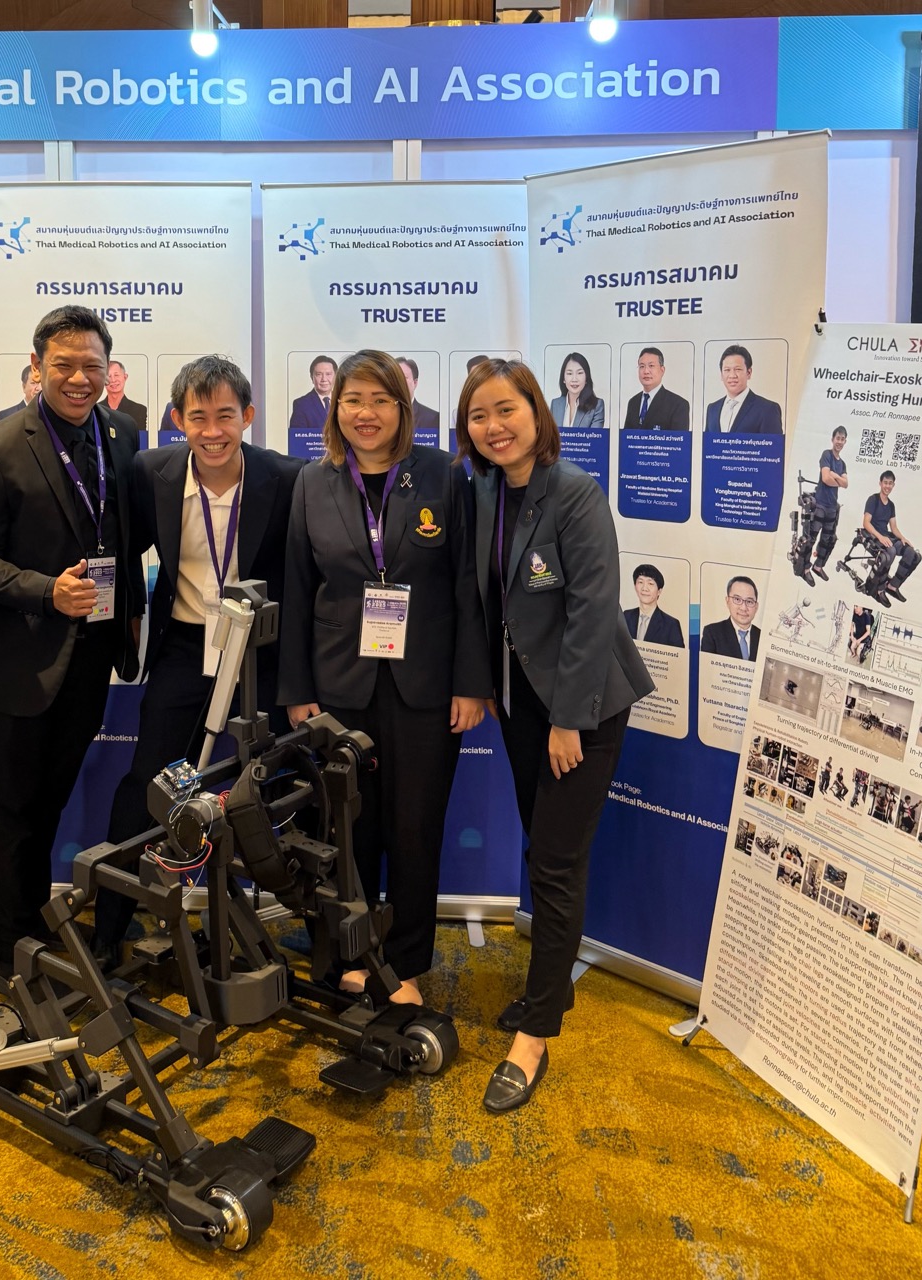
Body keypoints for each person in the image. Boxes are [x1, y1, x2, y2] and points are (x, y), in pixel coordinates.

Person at [456, 358, 653, 1113]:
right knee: (544, 850)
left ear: (537, 413)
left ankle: (535, 1034)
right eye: (479, 415)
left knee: (558, 862)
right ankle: (552, 991)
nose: (494, 426)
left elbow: (594, 612)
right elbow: (486, 604)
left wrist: (569, 719)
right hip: (521, 704)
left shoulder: (574, 492)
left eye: (506, 410)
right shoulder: (482, 491)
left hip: (583, 705)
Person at [279, 349, 491, 1006]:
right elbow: (297, 587)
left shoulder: (443, 475)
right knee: (346, 830)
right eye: (353, 401)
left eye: (379, 400)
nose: (365, 414)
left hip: (425, 687)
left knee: (415, 829)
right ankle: (352, 953)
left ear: (403, 407)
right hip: (338, 687)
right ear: (335, 409)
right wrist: (297, 691)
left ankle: (405, 963)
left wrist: (471, 682)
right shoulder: (312, 482)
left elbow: (468, 585)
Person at [93, 356, 304, 964]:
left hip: (259, 655)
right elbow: (121, 549)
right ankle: (108, 933)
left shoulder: (287, 478)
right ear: (177, 418)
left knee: (269, 789)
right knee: (149, 785)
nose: (213, 432)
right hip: (186, 648)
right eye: (198, 417)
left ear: (248, 416)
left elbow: (303, 578)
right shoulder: (151, 473)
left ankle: (305, 934)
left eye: (225, 416)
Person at [0, 305, 144, 991]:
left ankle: (37, 927)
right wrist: (45, 592)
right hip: (21, 663)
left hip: (91, 657)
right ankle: (13, 955)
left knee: (48, 805)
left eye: (92, 365)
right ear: (37, 367)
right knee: (9, 814)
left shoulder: (123, 434)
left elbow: (127, 532)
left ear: (108, 369)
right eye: (64, 365)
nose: (79, 378)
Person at [797, 426, 848, 585]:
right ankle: (805, 569)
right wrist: (838, 479)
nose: (839, 441)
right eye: (837, 438)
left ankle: (818, 566)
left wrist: (835, 476)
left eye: (842, 439)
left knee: (828, 539)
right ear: (832, 439)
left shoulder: (842, 464)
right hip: (820, 503)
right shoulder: (826, 455)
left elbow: (846, 484)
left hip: (832, 507)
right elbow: (825, 478)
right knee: (810, 538)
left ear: (845, 442)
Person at [863, 470, 922, 605]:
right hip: (873, 536)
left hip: (886, 536)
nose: (887, 486)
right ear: (880, 483)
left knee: (911, 552)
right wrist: (880, 537)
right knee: (891, 551)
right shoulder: (873, 500)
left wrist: (903, 538)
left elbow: (893, 527)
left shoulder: (891, 505)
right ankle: (879, 590)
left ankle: (893, 586)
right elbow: (866, 523)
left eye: (890, 483)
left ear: (893, 485)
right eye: (885, 483)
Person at [704, 345, 783, 434]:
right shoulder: (712, 409)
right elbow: (708, 442)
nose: (732, 375)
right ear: (721, 374)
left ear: (749, 373)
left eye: (738, 369)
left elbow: (772, 443)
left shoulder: (767, 409)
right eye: (727, 370)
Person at [622, 347, 689, 430]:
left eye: (651, 366)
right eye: (642, 366)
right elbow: (626, 436)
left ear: (662, 370)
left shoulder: (678, 405)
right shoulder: (633, 402)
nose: (646, 371)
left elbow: (679, 438)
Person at [699, 575, 761, 661]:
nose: (743, 608)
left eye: (749, 601)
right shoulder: (712, 633)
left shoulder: (762, 637)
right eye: (737, 599)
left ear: (756, 607)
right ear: (727, 601)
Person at [623, 563, 685, 648]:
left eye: (650, 583)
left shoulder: (671, 624)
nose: (644, 588)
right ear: (635, 586)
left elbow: (678, 655)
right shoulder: (626, 616)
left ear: (659, 591)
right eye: (640, 582)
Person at [548, 351, 605, 432]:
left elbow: (595, 438)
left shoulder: (597, 406)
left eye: (579, 373)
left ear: (586, 378)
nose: (574, 379)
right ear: (563, 379)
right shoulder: (555, 404)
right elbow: (550, 435)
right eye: (569, 373)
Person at [288, 355, 337, 434]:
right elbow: (297, 439)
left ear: (336, 376)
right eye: (319, 374)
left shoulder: (343, 401)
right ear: (312, 377)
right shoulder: (301, 404)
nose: (324, 379)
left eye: (328, 374)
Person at [102, 358, 149, 438]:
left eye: (116, 375)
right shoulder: (95, 409)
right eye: (109, 376)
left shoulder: (139, 410)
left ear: (125, 377)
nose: (113, 380)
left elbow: (140, 440)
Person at [395, 356, 440, 433]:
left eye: (403, 377)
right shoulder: (380, 414)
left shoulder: (433, 418)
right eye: (394, 377)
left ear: (415, 383)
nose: (398, 381)